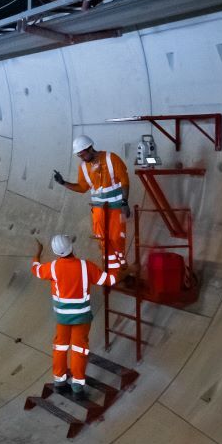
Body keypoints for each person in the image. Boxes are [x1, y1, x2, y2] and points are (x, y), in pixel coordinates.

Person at [31, 234, 119, 399]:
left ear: (57, 253)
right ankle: (77, 388)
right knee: (79, 349)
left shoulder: (52, 267)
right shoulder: (86, 267)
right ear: (71, 247)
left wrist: (37, 254)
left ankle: (59, 382)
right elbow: (111, 279)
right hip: (81, 318)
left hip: (62, 319)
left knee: (60, 347)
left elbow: (36, 269)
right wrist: (110, 254)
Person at [53, 135, 131, 272]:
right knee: (103, 241)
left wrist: (125, 202)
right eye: (79, 156)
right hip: (99, 212)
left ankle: (121, 269)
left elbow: (125, 181)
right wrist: (63, 183)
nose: (81, 158)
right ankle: (112, 271)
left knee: (117, 238)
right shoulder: (83, 167)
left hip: (118, 209)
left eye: (82, 154)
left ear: (89, 148)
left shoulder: (111, 158)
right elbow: (83, 188)